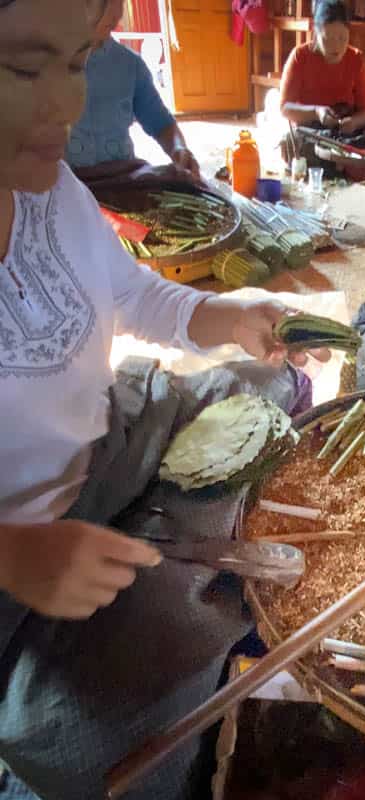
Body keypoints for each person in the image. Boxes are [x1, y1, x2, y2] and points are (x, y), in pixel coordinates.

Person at [0, 2, 328, 799]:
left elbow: (137, 296)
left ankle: (162, 535)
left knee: (276, 383)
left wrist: (227, 314)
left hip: (116, 433)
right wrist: (11, 554)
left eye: (75, 63)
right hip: (26, 564)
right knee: (93, 766)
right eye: (22, 67)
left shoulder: (48, 189)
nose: (68, 105)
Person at [66, 0, 201, 182]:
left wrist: (179, 148)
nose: (117, 14)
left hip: (121, 178)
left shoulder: (130, 65)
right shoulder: (46, 64)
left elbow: (161, 122)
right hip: (67, 183)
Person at [279, 0, 365, 136]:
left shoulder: (355, 58)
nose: (336, 47)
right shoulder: (301, 56)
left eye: (342, 38)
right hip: (309, 130)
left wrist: (354, 122)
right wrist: (316, 112)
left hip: (345, 131)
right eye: (328, 38)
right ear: (316, 32)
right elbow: (284, 108)